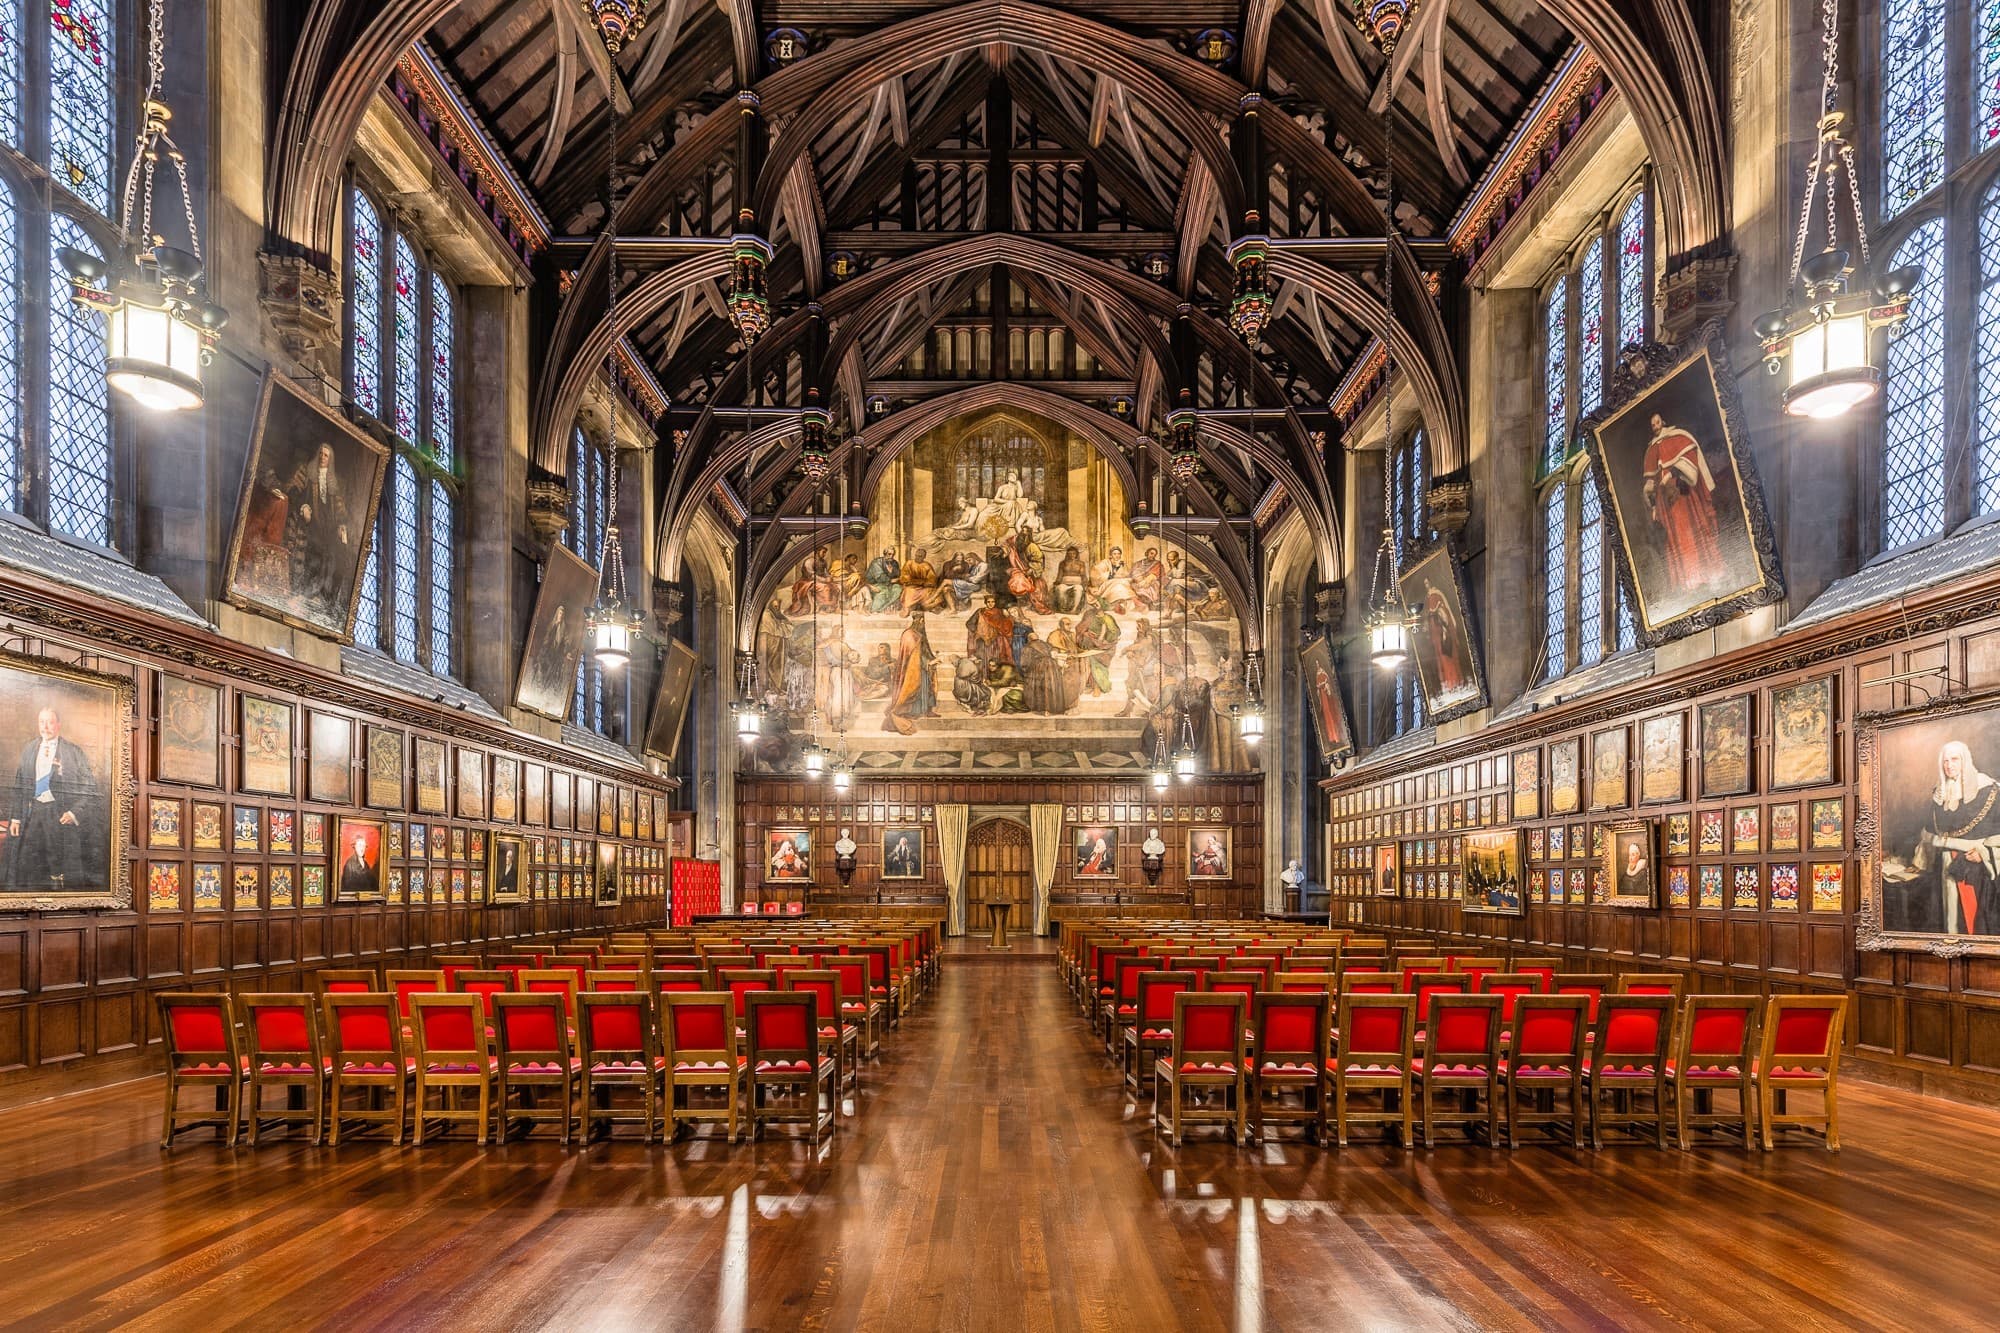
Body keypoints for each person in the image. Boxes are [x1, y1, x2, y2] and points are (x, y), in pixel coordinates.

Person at [5, 707, 102, 891]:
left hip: (60, 815)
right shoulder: (29, 749)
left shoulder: (73, 752)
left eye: (50, 722)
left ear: (58, 725)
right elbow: (19, 786)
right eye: (42, 722)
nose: (45, 727)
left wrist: (74, 813)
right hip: (32, 813)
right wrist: (16, 817)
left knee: (57, 862)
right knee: (28, 859)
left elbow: (91, 788)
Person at [1912, 740, 2000, 936]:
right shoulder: (1939, 793)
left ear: (1965, 761)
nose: (1949, 765)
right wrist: (1920, 861)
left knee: (1974, 924)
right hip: (1943, 868)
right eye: (1945, 761)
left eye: (1955, 759)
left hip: (1976, 869)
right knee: (1945, 922)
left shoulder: (1988, 789)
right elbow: (1930, 833)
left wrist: (1985, 854)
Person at [1641, 412, 1729, 591]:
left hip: (1683, 497)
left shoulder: (1678, 437)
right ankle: (1688, 581)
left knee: (1694, 533)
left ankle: (1708, 574)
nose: (1656, 427)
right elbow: (1651, 479)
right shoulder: (1651, 450)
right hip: (1666, 503)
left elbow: (1689, 462)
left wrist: (1672, 473)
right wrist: (1652, 501)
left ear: (1663, 421)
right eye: (1653, 425)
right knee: (1677, 541)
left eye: (1658, 422)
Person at [283, 441, 356, 617]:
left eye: (327, 455)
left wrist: (341, 525)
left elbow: (340, 509)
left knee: (329, 558)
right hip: (311, 521)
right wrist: (303, 508)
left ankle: (317, 595)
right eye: (321, 454)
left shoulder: (333, 482)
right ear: (318, 455)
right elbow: (296, 493)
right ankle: (302, 593)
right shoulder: (308, 474)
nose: (323, 458)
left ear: (330, 460)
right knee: (312, 557)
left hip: (328, 526)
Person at [883, 609, 938, 735]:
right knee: (915, 688)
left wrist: (932, 659)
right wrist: (928, 662)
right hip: (911, 669)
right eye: (922, 621)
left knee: (927, 687)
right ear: (919, 620)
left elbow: (924, 651)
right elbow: (914, 655)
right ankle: (915, 711)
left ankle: (927, 710)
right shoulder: (909, 634)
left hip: (922, 668)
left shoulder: (919, 634)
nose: (923, 623)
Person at [1418, 578, 1470, 695]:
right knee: (1441, 658)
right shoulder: (1427, 599)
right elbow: (1428, 614)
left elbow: (1444, 611)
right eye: (1424, 583)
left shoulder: (1437, 594)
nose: (1426, 585)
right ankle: (1449, 684)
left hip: (1443, 632)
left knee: (1450, 657)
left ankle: (1457, 682)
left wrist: (1438, 614)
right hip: (1436, 633)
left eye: (1427, 582)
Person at [339, 829, 377, 899]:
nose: (362, 849)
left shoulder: (365, 864)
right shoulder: (349, 864)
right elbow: (347, 886)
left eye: (363, 846)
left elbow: (372, 883)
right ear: (354, 846)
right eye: (359, 845)